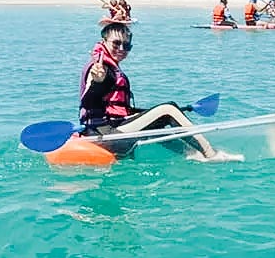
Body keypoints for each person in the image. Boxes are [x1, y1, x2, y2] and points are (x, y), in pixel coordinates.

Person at [79, 21, 238, 162]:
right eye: (116, 44)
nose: (121, 49)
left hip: (110, 129)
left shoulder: (110, 66)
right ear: (103, 42)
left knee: (161, 118)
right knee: (168, 109)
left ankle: (191, 153)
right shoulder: (101, 69)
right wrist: (97, 82)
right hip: (106, 135)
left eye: (126, 46)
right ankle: (211, 154)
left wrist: (149, 114)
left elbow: (116, 108)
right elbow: (89, 100)